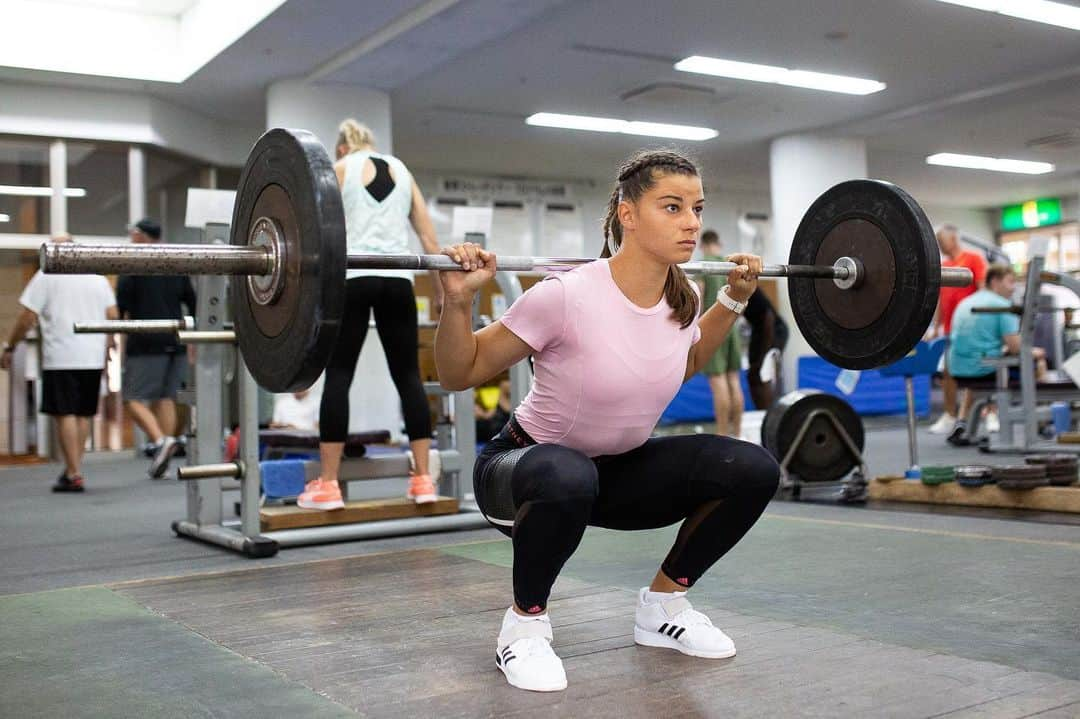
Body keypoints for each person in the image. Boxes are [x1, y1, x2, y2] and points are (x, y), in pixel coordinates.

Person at [434, 150, 780, 692]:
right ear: (628, 213)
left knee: (751, 467)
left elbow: (686, 361)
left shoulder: (681, 299)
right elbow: (461, 372)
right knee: (568, 473)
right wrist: (456, 304)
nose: (692, 222)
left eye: (697, 207)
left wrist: (733, 300)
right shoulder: (565, 295)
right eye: (672, 206)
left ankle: (663, 606)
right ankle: (523, 628)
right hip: (520, 470)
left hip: (612, 474)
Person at [298, 119, 444, 510]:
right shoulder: (401, 169)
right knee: (408, 376)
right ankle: (424, 479)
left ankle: (328, 484)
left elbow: (318, 233)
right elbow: (429, 239)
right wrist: (447, 293)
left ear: (342, 148)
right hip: (398, 280)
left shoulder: (340, 169)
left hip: (355, 277)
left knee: (340, 374)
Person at [1, 234, 118, 492]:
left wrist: (11, 346)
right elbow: (112, 316)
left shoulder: (48, 275)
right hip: (92, 355)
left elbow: (27, 317)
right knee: (83, 414)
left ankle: (74, 472)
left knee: (64, 413)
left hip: (61, 356)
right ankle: (73, 470)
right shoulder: (96, 277)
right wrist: (109, 345)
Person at [116, 218, 197, 479]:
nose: (131, 238)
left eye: (133, 234)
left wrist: (115, 334)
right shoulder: (174, 262)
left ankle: (161, 440)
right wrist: (193, 338)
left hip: (145, 341)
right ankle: (166, 448)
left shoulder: (132, 264)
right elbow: (193, 301)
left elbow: (121, 305)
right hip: (175, 339)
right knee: (165, 397)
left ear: (141, 236)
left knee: (131, 398)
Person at [946, 264, 1044, 446]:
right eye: (1010, 282)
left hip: (957, 368)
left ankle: (961, 424)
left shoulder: (966, 301)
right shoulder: (1003, 306)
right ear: (995, 282)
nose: (1013, 287)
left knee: (978, 373)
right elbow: (1016, 348)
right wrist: (1037, 352)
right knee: (1038, 360)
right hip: (983, 368)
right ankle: (1041, 420)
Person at [928, 224, 988, 435]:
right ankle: (950, 415)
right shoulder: (944, 265)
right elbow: (941, 301)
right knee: (948, 373)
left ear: (953, 238)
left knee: (978, 370)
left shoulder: (974, 259)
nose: (939, 245)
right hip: (950, 329)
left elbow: (983, 289)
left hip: (971, 326)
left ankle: (988, 412)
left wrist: (982, 321)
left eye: (941, 240)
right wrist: (936, 327)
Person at [698, 230, 744, 436]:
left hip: (712, 327)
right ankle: (738, 433)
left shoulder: (703, 266)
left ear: (703, 245)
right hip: (732, 327)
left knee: (718, 383)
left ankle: (723, 435)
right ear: (718, 243)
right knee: (733, 380)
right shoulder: (729, 267)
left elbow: (697, 299)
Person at [744, 287, 788, 409]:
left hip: (772, 330)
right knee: (753, 375)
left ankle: (768, 413)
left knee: (760, 373)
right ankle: (764, 412)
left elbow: (769, 317)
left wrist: (763, 356)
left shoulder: (749, 288)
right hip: (761, 329)